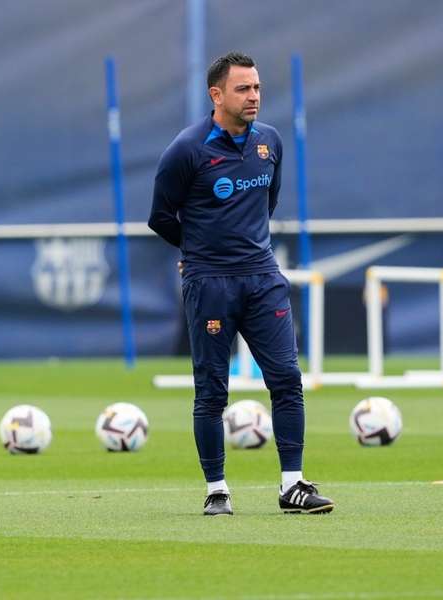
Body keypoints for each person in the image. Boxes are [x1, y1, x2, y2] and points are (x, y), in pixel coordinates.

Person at [148, 52, 334, 516]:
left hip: (263, 278)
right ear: (217, 95)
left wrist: (245, 249)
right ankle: (217, 489)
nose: (253, 97)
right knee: (212, 392)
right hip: (209, 284)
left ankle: (293, 485)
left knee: (287, 379)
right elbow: (159, 217)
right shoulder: (187, 149)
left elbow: (266, 203)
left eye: (256, 88)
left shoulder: (270, 141)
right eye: (242, 89)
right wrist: (197, 253)